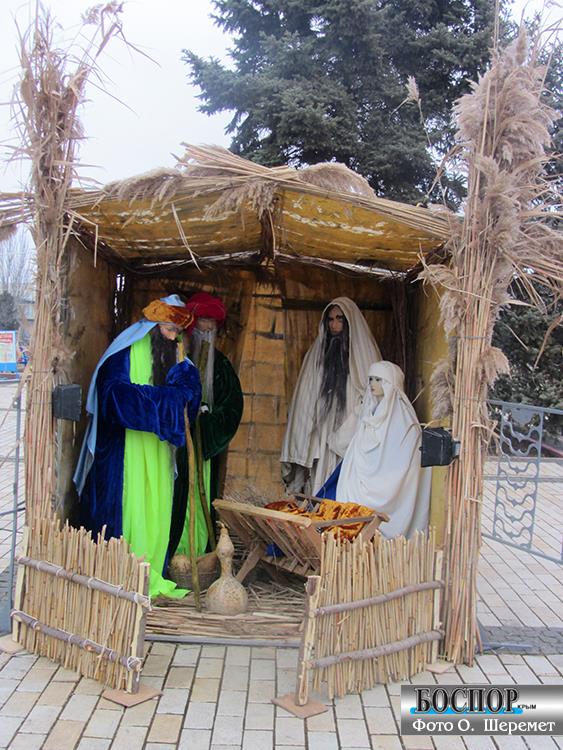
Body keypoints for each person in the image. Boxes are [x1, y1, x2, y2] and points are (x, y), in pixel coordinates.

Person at [73, 295, 201, 598]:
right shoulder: (123, 353)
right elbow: (113, 396)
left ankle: (148, 570)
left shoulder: (179, 359)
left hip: (158, 452)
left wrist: (177, 396)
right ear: (154, 326)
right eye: (168, 329)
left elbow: (190, 399)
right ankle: (119, 576)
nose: (173, 337)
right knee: (123, 511)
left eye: (177, 332)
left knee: (156, 510)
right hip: (122, 451)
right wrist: (167, 402)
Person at [169, 291, 243, 560]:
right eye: (202, 323)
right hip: (174, 445)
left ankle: (199, 552)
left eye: (212, 325)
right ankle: (172, 551)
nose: (207, 330)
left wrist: (208, 423)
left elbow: (232, 406)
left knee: (200, 496)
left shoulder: (221, 365)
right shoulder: (175, 358)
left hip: (203, 448)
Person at [281, 297, 381, 495]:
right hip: (322, 433)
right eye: (330, 319)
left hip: (350, 433)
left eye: (339, 319)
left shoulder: (364, 354)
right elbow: (304, 399)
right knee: (319, 482)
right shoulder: (316, 356)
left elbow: (374, 397)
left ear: (349, 322)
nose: (334, 325)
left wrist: (350, 426)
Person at [335, 361, 431, 538]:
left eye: (378, 379)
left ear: (389, 383)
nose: (372, 384)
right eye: (371, 379)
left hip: (391, 487)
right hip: (361, 481)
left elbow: (404, 462)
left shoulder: (405, 422)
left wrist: (383, 479)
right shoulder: (368, 413)